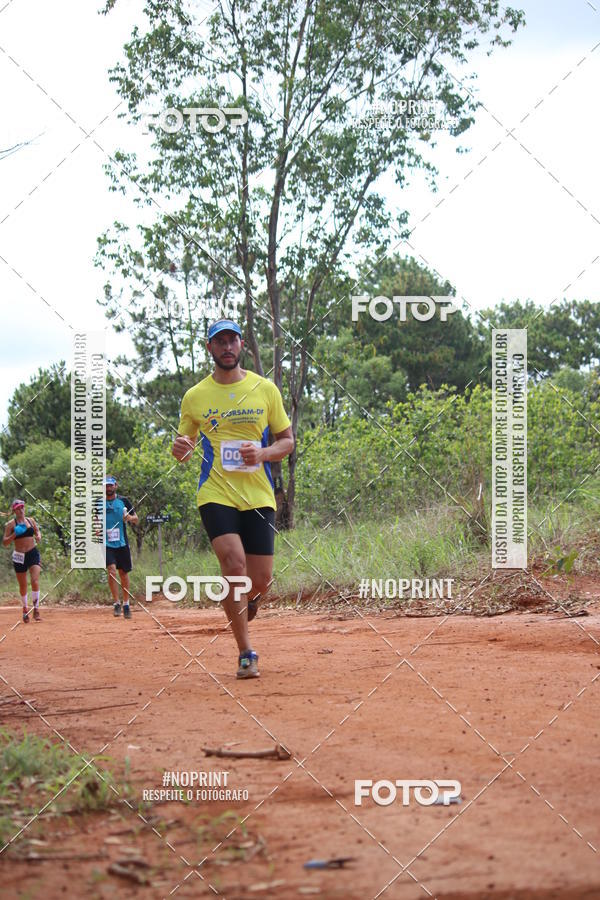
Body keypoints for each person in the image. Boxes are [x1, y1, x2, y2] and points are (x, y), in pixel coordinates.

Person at [172, 319, 294, 679]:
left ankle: (249, 601)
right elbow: (183, 450)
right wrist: (179, 448)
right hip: (216, 492)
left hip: (258, 494)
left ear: (241, 345)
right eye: (219, 341)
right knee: (234, 564)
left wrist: (263, 454)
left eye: (232, 340)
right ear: (209, 348)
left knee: (261, 579)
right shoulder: (195, 397)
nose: (226, 347)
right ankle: (246, 652)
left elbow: (287, 441)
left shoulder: (265, 388)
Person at [2, 499, 42, 623]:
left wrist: (38, 535)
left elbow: (37, 530)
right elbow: (5, 543)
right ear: (14, 510)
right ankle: (25, 609)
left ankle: (36, 609)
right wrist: (15, 534)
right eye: (18, 508)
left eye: (22, 507)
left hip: (32, 553)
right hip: (19, 556)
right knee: (23, 585)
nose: (21, 510)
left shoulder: (31, 520)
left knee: (35, 580)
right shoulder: (10, 524)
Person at [104, 476, 138, 619]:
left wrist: (128, 518)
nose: (108, 488)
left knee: (123, 573)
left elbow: (136, 519)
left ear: (116, 486)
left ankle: (126, 604)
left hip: (122, 543)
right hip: (106, 544)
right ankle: (116, 603)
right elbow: (95, 521)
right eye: (106, 486)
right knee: (111, 571)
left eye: (110, 485)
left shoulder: (124, 501)